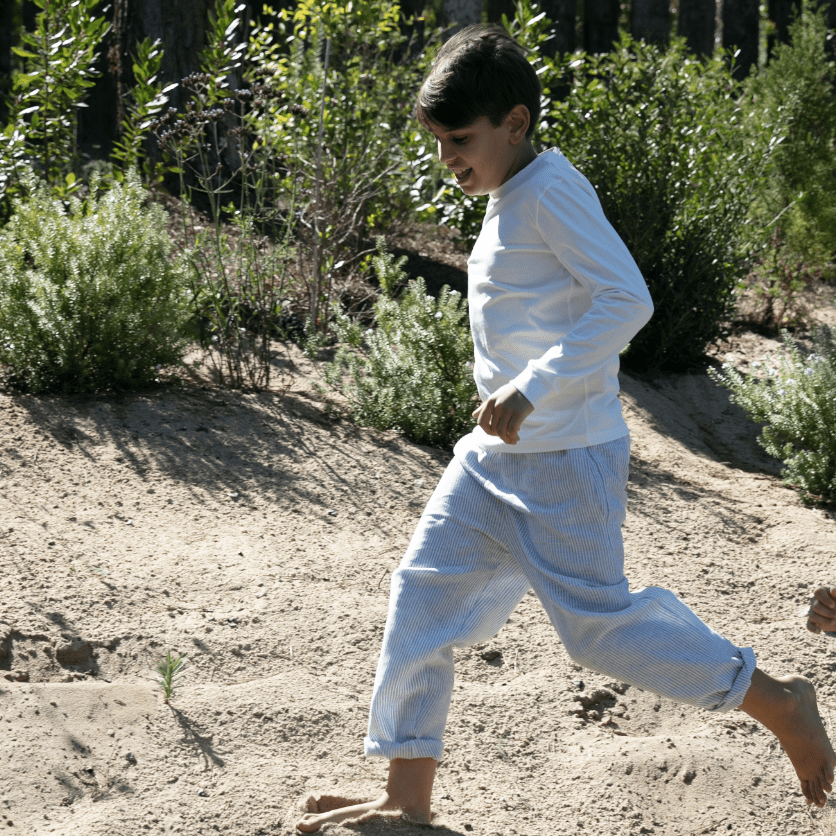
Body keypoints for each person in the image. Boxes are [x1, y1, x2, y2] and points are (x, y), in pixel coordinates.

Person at [296, 25, 835, 832]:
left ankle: (779, 702)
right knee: (422, 595)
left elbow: (628, 299)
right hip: (492, 462)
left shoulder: (550, 189)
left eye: (460, 139)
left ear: (514, 124)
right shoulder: (509, 192)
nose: (447, 157)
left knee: (597, 634)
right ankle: (407, 801)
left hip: (566, 456)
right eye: (439, 141)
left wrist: (530, 388)